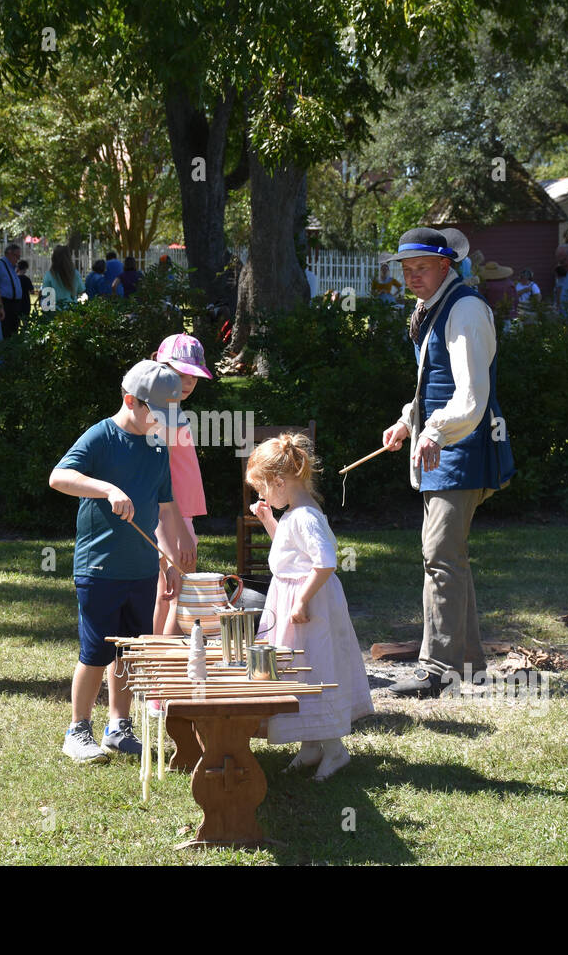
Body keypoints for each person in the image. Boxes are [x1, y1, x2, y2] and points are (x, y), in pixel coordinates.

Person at [379, 226, 515, 698]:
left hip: (465, 448)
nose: (411, 277)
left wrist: (433, 430)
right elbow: (430, 381)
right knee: (449, 558)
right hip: (438, 446)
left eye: (420, 268)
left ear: (446, 265)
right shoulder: (434, 307)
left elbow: (472, 396)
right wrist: (406, 422)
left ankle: (436, 669)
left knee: (439, 557)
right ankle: (471, 665)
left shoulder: (466, 310)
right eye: (406, 270)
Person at [48, 360, 188, 764]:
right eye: (159, 415)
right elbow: (59, 477)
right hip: (100, 568)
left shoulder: (158, 446)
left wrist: (170, 561)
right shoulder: (101, 437)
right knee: (96, 652)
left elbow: (165, 510)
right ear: (131, 401)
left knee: (129, 652)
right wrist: (107, 488)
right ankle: (77, 730)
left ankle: (117, 726)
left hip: (142, 569)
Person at [245, 433, 374, 781]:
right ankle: (311, 745)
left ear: (280, 481)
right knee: (299, 670)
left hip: (307, 608)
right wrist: (269, 520)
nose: (262, 497)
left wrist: (302, 599)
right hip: (295, 602)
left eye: (263, 490)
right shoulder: (295, 513)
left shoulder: (305, 516)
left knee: (315, 671)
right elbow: (291, 553)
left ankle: (334, 749)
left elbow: (325, 562)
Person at [149, 334, 213, 635]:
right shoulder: (162, 414)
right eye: (180, 374)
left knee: (168, 591)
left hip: (176, 514)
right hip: (169, 514)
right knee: (181, 591)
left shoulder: (168, 409)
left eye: (194, 377)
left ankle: (155, 667)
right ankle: (165, 670)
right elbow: (157, 477)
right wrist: (169, 534)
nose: (188, 382)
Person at [0, 242, 27, 339]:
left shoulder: (12, 267)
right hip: (6, 303)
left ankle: (11, 351)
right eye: (16, 256)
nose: (18, 259)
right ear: (9, 253)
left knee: (14, 331)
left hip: (15, 305)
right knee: (5, 331)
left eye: (19, 256)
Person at [41, 245, 85, 309]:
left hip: (54, 313)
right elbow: (81, 291)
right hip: (72, 312)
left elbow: (45, 296)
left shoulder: (49, 275)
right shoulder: (75, 274)